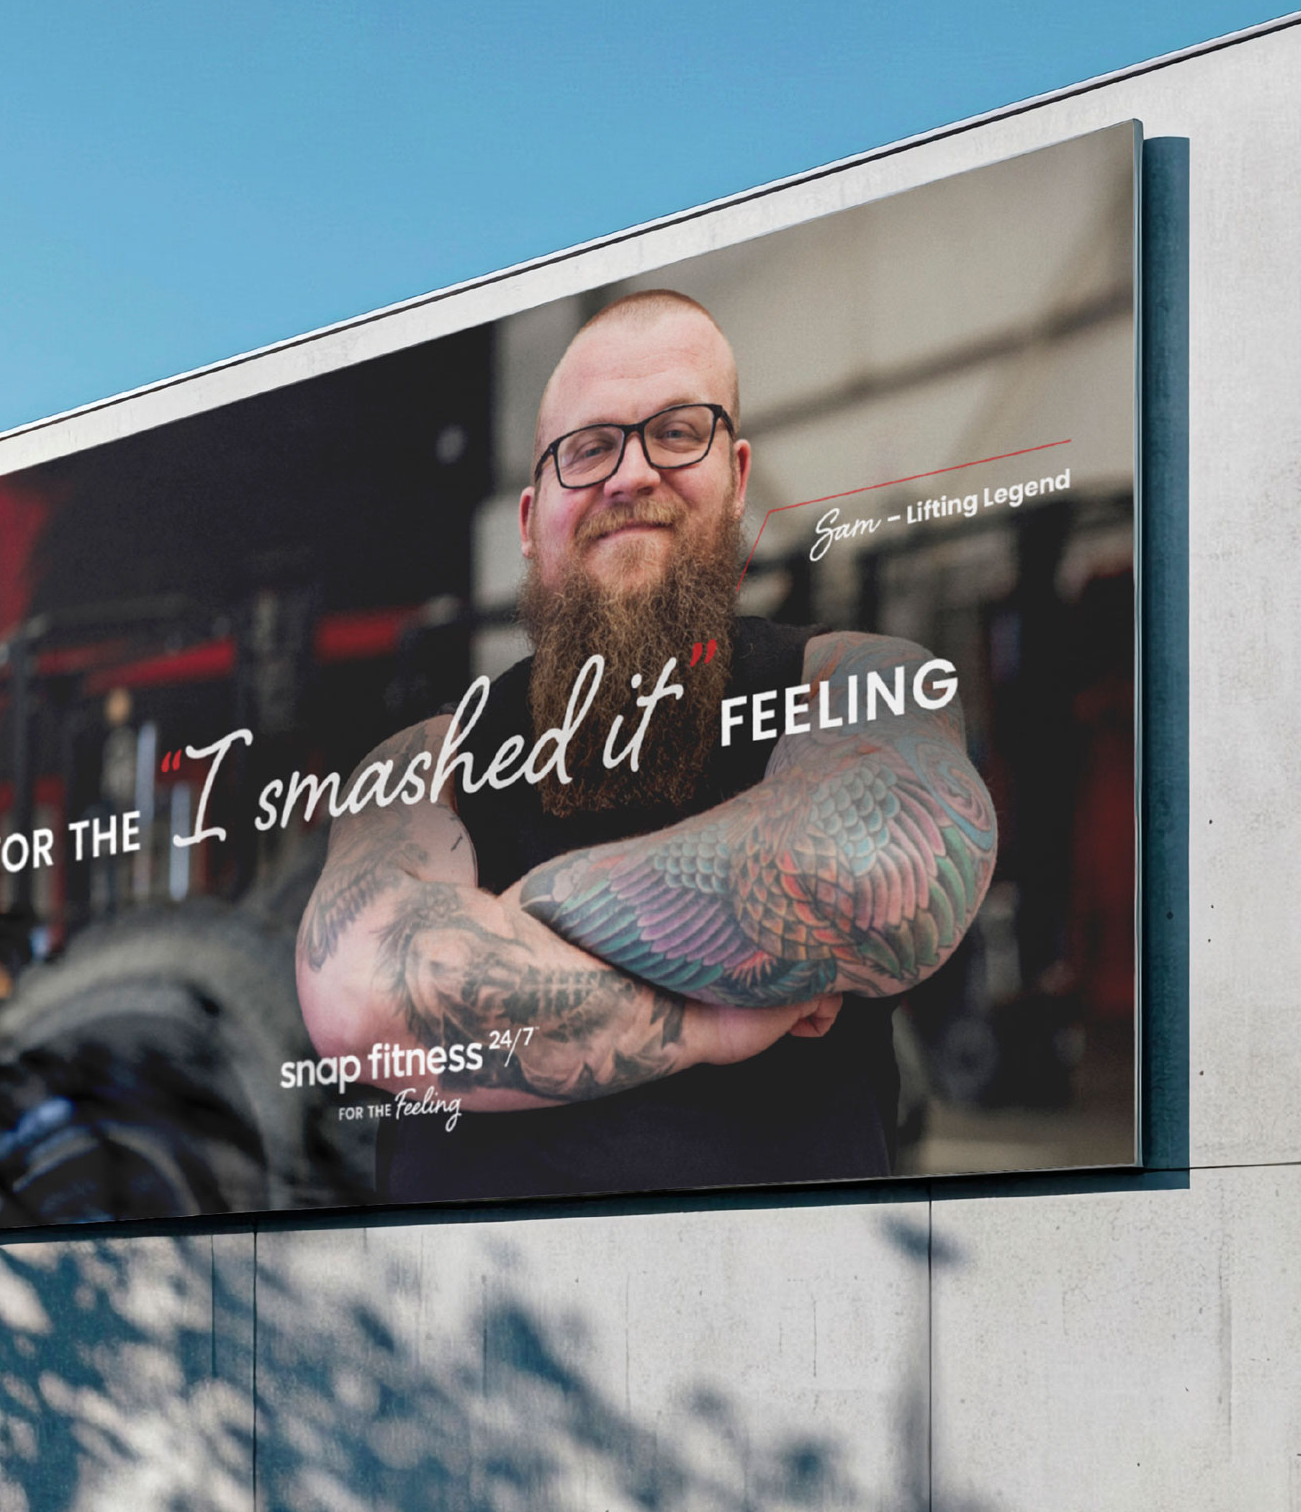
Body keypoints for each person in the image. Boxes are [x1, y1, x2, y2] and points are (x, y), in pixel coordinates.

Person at [293, 289, 1000, 1201]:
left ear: (738, 475)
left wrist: (503, 925)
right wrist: (716, 1023)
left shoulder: (851, 679)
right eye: (587, 449)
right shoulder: (422, 760)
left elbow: (876, 869)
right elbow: (361, 998)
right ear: (527, 518)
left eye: (675, 432)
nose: (629, 476)